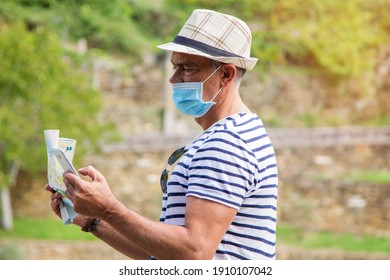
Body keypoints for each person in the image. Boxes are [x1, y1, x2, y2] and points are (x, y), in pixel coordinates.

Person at [47, 9, 278, 260]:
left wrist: (109, 208)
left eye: (187, 68)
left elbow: (194, 252)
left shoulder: (227, 143)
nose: (173, 78)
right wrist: (94, 220)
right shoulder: (230, 134)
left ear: (226, 75)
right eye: (174, 66)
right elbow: (167, 256)